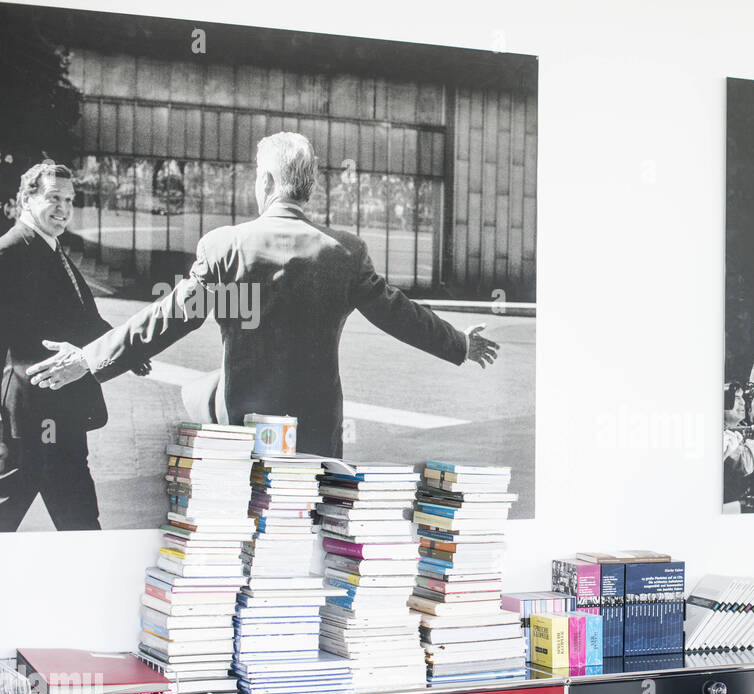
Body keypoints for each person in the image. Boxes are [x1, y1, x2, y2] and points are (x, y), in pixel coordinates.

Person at [27, 132, 497, 457]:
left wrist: (88, 361)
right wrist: (460, 343)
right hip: (316, 432)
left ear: (267, 182)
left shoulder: (227, 247)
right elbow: (399, 315)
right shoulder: (345, 253)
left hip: (245, 430)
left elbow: (170, 318)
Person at [0, 161, 151, 532]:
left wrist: (127, 351)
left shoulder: (52, 250)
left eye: (69, 200)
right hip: (27, 418)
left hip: (61, 417)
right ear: (26, 199)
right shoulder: (11, 251)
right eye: (54, 198)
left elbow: (85, 319)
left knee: (81, 523)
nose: (63, 209)